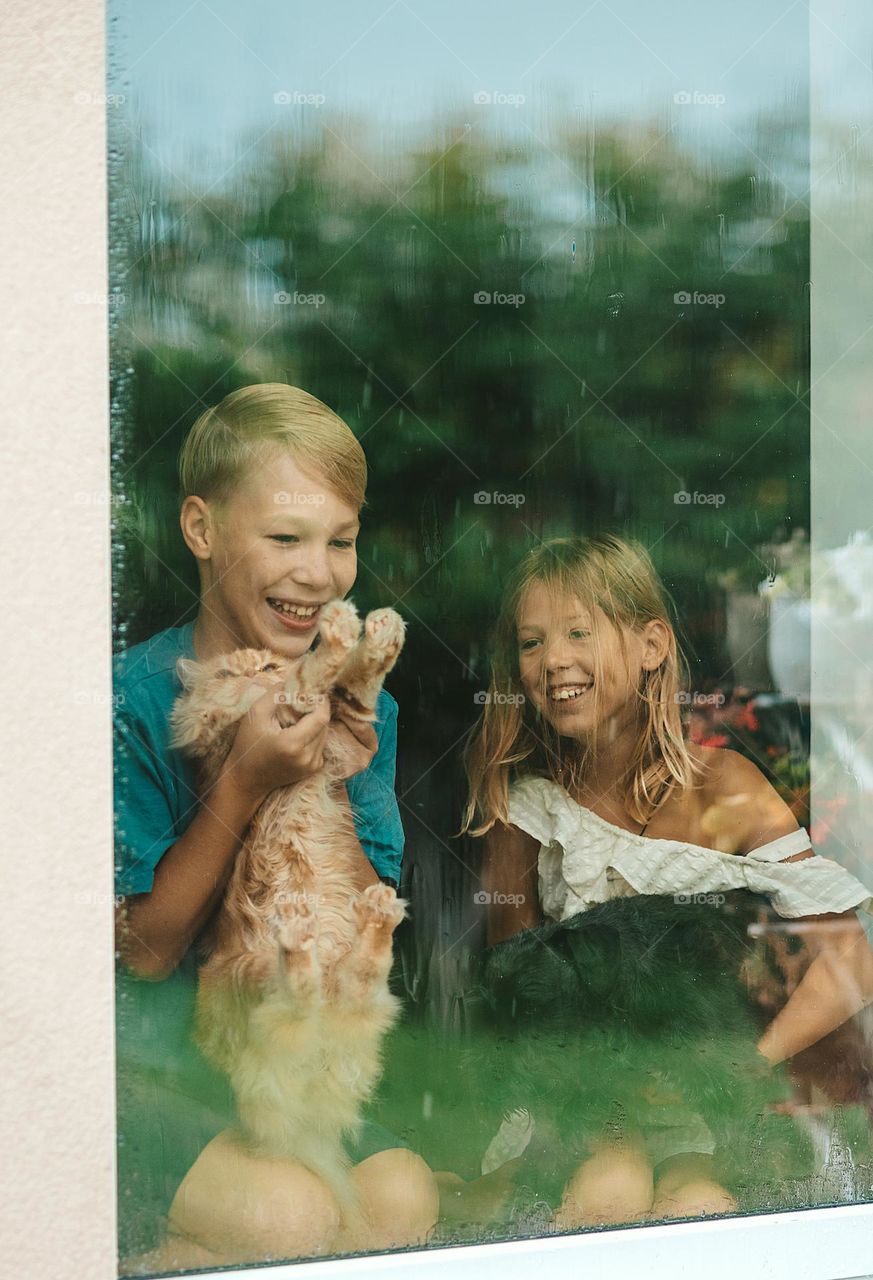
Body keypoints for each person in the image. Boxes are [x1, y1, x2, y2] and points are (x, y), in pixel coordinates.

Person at [457, 532, 873, 1230]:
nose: (553, 659)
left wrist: (744, 1067)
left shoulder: (726, 786)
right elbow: (518, 994)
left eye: (578, 632)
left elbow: (851, 955)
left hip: (715, 1104)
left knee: (703, 1206)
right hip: (585, 1109)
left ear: (650, 645)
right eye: (530, 643)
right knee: (609, 1192)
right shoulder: (529, 808)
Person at [113, 384, 438, 1271]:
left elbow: (347, 901)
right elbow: (138, 952)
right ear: (201, 528)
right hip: (148, 1069)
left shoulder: (367, 707)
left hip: (289, 1061)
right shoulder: (131, 700)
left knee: (403, 1198)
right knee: (284, 1221)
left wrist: (336, 762)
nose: (319, 573)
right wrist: (244, 784)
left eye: (341, 541)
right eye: (285, 537)